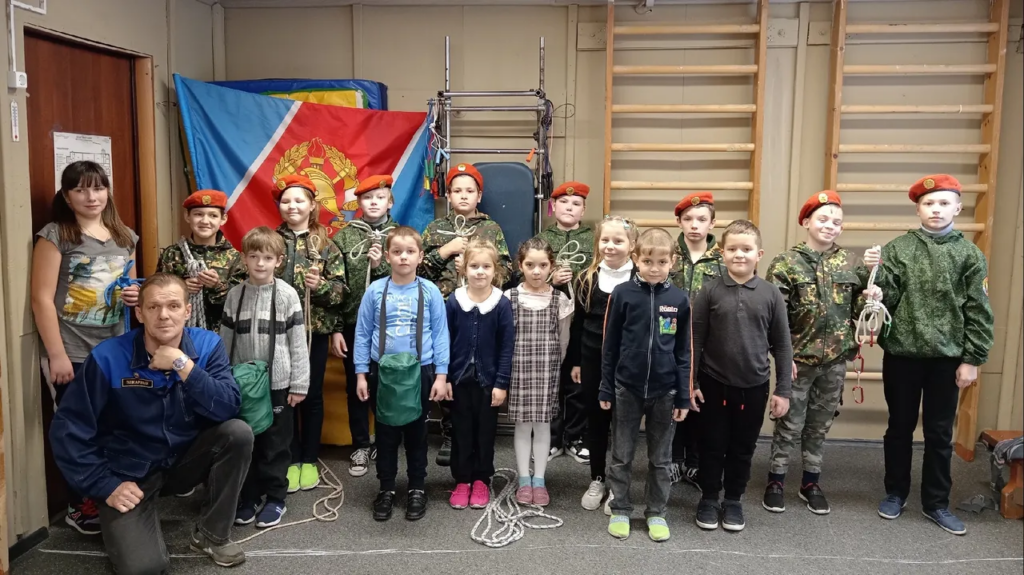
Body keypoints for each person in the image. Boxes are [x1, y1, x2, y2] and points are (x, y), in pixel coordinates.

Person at [49, 274, 252, 571]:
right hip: (129, 473)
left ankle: (212, 535)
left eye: (173, 306)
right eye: (154, 307)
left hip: (183, 460)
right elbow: (68, 429)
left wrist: (183, 365)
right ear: (140, 313)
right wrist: (105, 485)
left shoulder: (208, 345)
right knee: (143, 569)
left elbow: (227, 407)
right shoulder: (108, 357)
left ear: (187, 311)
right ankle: (130, 522)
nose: (164, 315)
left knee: (237, 433)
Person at [866, 174, 993, 536]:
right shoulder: (898, 249)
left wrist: (972, 358)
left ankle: (936, 502)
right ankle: (895, 492)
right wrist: (873, 279)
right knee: (899, 426)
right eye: (928, 203)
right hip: (903, 354)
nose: (935, 209)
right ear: (918, 209)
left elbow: (978, 309)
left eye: (943, 203)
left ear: (958, 208)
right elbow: (887, 296)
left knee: (939, 432)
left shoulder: (969, 254)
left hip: (946, 359)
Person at [31, 160, 140, 535]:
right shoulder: (56, 234)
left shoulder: (124, 236)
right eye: (80, 189)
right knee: (77, 428)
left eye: (97, 188)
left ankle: (109, 492)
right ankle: (79, 504)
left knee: (112, 423)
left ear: (108, 191)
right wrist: (57, 354)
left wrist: (133, 296)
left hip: (113, 349)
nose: (91, 196)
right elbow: (41, 299)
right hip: (73, 351)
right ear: (67, 196)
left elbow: (130, 289)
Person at [762, 191, 878, 515]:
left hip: (834, 362)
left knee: (819, 425)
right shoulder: (786, 263)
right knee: (789, 423)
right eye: (823, 219)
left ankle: (810, 482)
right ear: (806, 221)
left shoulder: (852, 263)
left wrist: (871, 296)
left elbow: (859, 312)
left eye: (836, 222)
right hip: (798, 361)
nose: (830, 226)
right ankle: (776, 480)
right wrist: (783, 360)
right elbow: (774, 318)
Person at [691, 220, 792, 533]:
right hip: (712, 384)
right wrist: (691, 383)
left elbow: (782, 345)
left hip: (754, 387)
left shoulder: (771, 294)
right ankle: (709, 497)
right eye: (732, 249)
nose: (739, 255)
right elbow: (695, 340)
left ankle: (733, 499)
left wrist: (783, 390)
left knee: (742, 447)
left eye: (746, 249)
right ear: (722, 253)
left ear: (758, 254)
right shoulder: (709, 291)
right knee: (711, 445)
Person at [355, 226, 451, 521]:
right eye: (397, 252)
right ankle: (386, 488)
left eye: (410, 252)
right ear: (387, 256)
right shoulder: (375, 290)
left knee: (416, 433)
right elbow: (362, 333)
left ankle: (417, 487)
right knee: (385, 434)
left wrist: (441, 376)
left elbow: (441, 334)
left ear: (420, 257)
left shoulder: (430, 291)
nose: (403, 257)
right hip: (382, 371)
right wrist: (361, 374)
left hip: (421, 370)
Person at [600, 228, 690, 542]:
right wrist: (606, 386)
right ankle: (621, 508)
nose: (654, 268)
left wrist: (683, 396)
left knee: (661, 460)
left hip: (666, 391)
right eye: (648, 261)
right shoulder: (622, 294)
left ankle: (656, 512)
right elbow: (609, 345)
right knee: (622, 455)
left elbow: (684, 351)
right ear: (636, 258)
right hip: (627, 387)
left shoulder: (679, 299)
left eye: (662, 262)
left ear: (672, 262)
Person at [420, 163, 512, 467]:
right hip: (443, 310)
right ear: (448, 195)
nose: (463, 195)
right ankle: (450, 431)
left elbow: (507, 271)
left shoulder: (491, 228)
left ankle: (478, 436)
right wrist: (444, 251)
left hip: (480, 310)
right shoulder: (436, 229)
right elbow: (418, 270)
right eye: (457, 190)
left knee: (476, 369)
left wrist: (475, 269)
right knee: (448, 367)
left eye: (469, 191)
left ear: (479, 195)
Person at [221, 227, 309, 529]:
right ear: (244, 259)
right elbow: (225, 341)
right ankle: (248, 497)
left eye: (267, 258)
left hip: (277, 385)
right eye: (254, 256)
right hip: (244, 385)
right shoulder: (235, 295)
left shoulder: (287, 295)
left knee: (275, 443)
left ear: (278, 261)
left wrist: (299, 384)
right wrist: (224, 381)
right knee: (247, 442)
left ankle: (275, 498)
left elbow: (298, 344)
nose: (260, 263)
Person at [272, 174, 347, 492]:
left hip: (313, 332)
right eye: (286, 201)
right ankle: (289, 459)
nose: (292, 206)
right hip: (277, 332)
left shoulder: (326, 244)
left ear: (312, 205)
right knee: (283, 395)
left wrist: (321, 287)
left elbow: (342, 293)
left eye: (299, 200)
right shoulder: (271, 241)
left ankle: (309, 459)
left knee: (312, 395)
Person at [570, 216, 638, 512]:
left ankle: (619, 486)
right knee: (596, 421)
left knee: (624, 425)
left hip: (629, 363)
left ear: (632, 245)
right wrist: (576, 362)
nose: (610, 246)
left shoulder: (640, 278)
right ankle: (597, 478)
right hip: (592, 359)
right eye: (605, 240)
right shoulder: (586, 278)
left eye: (618, 241)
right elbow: (578, 323)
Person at [332, 175, 398, 477]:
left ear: (390, 202)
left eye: (380, 197)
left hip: (392, 326)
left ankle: (385, 441)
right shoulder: (344, 237)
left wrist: (379, 265)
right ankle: (360, 443)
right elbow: (335, 285)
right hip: (354, 324)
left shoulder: (400, 236)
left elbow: (411, 277)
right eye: (367, 198)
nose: (374, 203)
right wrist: (336, 328)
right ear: (358, 202)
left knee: (387, 385)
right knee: (355, 385)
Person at [447, 238, 515, 510]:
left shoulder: (501, 303)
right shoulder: (455, 301)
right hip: (459, 380)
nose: (479, 272)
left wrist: (501, 383)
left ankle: (481, 480)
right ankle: (462, 480)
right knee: (461, 431)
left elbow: (507, 346)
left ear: (495, 270)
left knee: (485, 432)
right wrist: (446, 378)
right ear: (464, 268)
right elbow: (445, 340)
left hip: (489, 382)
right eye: (474, 266)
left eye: (486, 266)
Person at [505, 238, 573, 506]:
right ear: (520, 265)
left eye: (543, 265)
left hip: (547, 370)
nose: (536, 271)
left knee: (543, 425)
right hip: (519, 369)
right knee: (522, 425)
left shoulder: (560, 300)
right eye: (530, 265)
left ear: (551, 266)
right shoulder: (509, 298)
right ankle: (524, 479)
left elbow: (564, 340)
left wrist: (554, 365)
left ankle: (540, 479)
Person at [668, 191, 723, 488]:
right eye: (688, 219)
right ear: (678, 221)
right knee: (672, 399)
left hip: (709, 343)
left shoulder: (722, 259)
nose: (694, 225)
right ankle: (673, 459)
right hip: (670, 340)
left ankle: (694, 462)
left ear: (712, 223)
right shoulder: (668, 255)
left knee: (702, 403)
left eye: (702, 219)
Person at [536, 182, 593, 464]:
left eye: (576, 204)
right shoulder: (542, 239)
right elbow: (524, 275)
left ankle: (576, 437)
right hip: (550, 319)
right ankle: (552, 437)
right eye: (564, 202)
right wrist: (551, 279)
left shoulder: (593, 239)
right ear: (553, 206)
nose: (569, 208)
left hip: (584, 318)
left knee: (578, 379)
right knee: (552, 379)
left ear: (583, 209)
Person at [157, 189, 246, 332]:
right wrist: (181, 287)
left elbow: (241, 301)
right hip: (179, 332)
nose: (205, 221)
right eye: (198, 214)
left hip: (221, 335)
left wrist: (217, 286)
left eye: (213, 215)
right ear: (187, 216)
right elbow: (157, 292)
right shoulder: (172, 254)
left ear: (223, 219)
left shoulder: (234, 258)